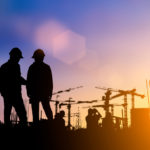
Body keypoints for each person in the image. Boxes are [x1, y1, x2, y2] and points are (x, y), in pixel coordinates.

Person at [0, 48, 27, 126]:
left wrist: (26, 82)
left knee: (15, 114)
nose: (19, 59)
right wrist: (26, 82)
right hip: (12, 94)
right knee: (20, 114)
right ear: (13, 56)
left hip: (13, 94)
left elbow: (17, 77)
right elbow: (16, 78)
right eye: (18, 57)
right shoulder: (5, 67)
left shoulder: (15, 66)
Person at [27, 49, 53, 124]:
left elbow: (29, 81)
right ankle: (51, 126)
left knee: (38, 112)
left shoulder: (32, 67)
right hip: (41, 93)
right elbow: (50, 82)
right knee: (46, 111)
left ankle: (39, 127)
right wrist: (50, 92)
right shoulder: (46, 67)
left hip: (36, 93)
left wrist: (28, 92)